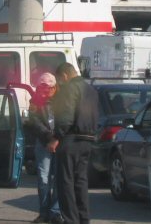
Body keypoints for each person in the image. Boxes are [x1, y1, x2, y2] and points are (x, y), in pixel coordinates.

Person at [48, 63, 99, 224]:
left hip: (71, 139)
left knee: (66, 182)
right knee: (81, 182)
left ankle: (70, 219)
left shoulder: (69, 88)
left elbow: (66, 116)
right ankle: (84, 219)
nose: (60, 83)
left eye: (59, 80)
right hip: (88, 139)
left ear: (64, 76)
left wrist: (56, 137)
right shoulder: (91, 89)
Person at [26, 72, 63, 224]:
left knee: (58, 178)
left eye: (48, 88)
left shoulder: (62, 101)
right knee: (43, 178)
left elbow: (65, 121)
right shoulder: (34, 101)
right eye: (42, 88)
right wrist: (49, 138)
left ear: (55, 88)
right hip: (43, 143)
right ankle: (44, 213)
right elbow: (34, 121)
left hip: (60, 143)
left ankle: (55, 212)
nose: (45, 91)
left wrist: (57, 139)